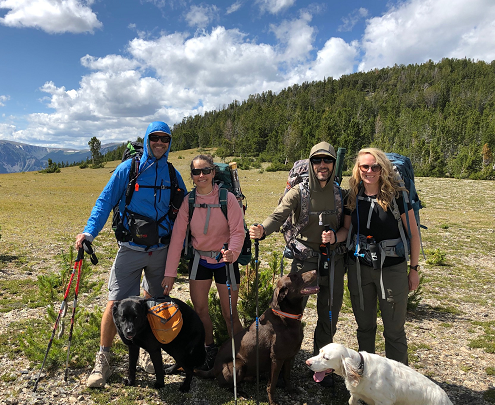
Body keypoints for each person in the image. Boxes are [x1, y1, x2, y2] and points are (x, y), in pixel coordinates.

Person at [75, 121, 186, 388]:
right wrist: (89, 232)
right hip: (130, 249)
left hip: (161, 249)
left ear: (170, 143)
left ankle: (150, 354)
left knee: (157, 304)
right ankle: (103, 361)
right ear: (147, 139)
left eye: (165, 140)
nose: (159, 144)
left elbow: (187, 209)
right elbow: (105, 200)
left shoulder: (172, 174)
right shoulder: (129, 169)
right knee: (115, 303)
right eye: (155, 138)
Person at [249, 142, 349, 387]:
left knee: (329, 316)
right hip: (303, 262)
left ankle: (322, 367)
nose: (322, 165)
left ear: (334, 164)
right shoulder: (298, 192)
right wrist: (263, 229)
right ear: (311, 163)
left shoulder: (342, 194)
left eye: (327, 160)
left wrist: (336, 238)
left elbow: (348, 226)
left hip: (333, 260)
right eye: (317, 160)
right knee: (289, 316)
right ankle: (284, 364)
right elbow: (278, 215)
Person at [162, 154, 245, 370]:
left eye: (206, 170)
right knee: (200, 310)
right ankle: (210, 350)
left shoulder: (228, 198)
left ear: (213, 172)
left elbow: (238, 230)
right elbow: (177, 238)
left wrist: (233, 252)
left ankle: (241, 355)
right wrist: (170, 273)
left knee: (229, 313)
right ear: (192, 176)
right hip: (200, 260)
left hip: (225, 260)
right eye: (197, 172)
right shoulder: (189, 202)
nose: (201, 175)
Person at [345, 148, 420, 365]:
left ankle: (400, 386)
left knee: (394, 331)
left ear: (383, 168)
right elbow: (346, 230)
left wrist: (413, 269)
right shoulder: (354, 194)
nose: (370, 171)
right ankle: (367, 378)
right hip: (359, 268)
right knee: (365, 327)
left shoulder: (397, 195)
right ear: (358, 169)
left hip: (392, 270)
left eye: (375, 166)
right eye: (364, 166)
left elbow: (413, 235)